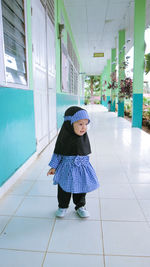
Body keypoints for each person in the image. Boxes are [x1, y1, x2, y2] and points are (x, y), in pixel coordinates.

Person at [47, 106, 99, 218]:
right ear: (70, 124)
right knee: (64, 189)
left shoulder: (83, 137)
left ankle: (80, 206)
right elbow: (58, 153)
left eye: (86, 124)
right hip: (66, 169)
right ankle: (62, 206)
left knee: (81, 189)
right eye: (80, 124)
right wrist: (53, 167)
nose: (83, 127)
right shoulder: (63, 138)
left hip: (81, 169)